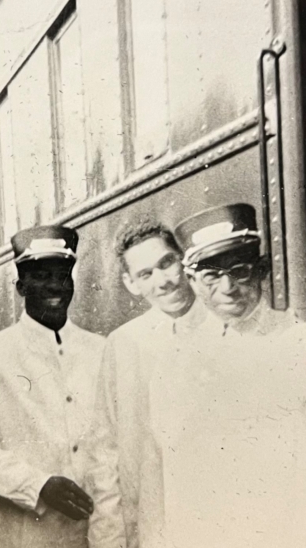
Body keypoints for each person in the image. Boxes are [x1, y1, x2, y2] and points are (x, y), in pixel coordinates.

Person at [139, 203, 306, 547]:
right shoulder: (174, 366)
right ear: (192, 281)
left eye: (240, 270)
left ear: (263, 269)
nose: (228, 287)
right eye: (211, 276)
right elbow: (171, 484)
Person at [0, 225, 125, 548]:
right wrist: (38, 485)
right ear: (20, 286)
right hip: (27, 537)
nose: (55, 286)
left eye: (63, 276)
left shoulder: (102, 351)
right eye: (42, 276)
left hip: (100, 535)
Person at [90, 217, 202, 548]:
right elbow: (105, 449)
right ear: (131, 284)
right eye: (145, 274)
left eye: (167, 263)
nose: (163, 281)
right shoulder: (124, 345)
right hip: (157, 527)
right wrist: (109, 538)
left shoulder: (225, 326)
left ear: (183, 260)